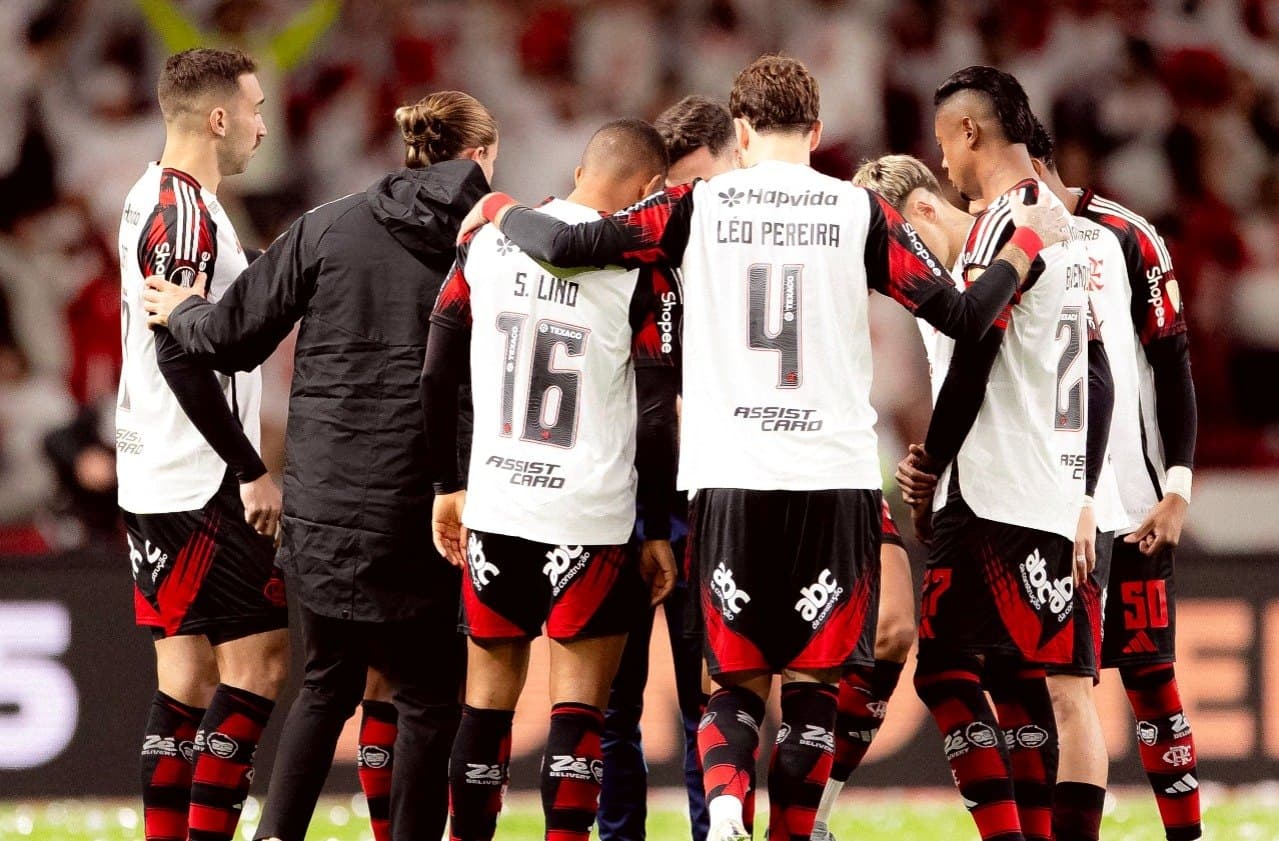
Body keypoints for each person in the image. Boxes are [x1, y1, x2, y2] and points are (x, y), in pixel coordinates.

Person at [455, 53, 1069, 841]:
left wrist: (502, 208)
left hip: (730, 474)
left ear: (740, 131)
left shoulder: (694, 205)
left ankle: (721, 811)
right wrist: (1021, 244)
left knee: (732, 687)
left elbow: (571, 247)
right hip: (833, 479)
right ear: (815, 132)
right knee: (812, 691)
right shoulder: (859, 215)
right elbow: (960, 315)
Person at [140, 90, 499, 841]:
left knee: (325, 684)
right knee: (429, 697)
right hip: (430, 502)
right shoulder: (490, 243)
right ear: (480, 156)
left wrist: (180, 311)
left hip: (326, 504)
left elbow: (231, 336)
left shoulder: (328, 225)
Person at [423, 118, 679, 841]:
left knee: (486, 708)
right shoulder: (641, 267)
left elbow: (436, 368)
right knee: (577, 717)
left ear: (577, 171)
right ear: (649, 190)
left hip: (499, 500)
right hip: (590, 518)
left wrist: (448, 481)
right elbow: (656, 415)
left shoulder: (486, 240)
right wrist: (654, 527)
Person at [891, 67, 1107, 841]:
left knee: (945, 672)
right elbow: (1096, 372)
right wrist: (1084, 490)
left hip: (990, 489)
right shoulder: (1061, 226)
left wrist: (929, 470)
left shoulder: (1001, 227)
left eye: (945, 140)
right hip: (1050, 490)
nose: (943, 161)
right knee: (1043, 687)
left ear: (969, 132)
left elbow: (973, 345)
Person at [117, 47, 288, 841]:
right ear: (218, 118)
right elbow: (179, 352)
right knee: (258, 666)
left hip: (151, 468)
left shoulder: (151, 195)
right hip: (201, 474)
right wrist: (250, 469)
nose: (261, 126)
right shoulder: (184, 214)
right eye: (253, 109)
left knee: (183, 678)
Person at [1030, 123, 1201, 841]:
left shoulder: (1127, 235)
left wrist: (1178, 485)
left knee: (1149, 680)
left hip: (1129, 501)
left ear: (1034, 160)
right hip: (1041, 502)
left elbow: (1171, 360)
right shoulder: (999, 242)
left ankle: (1186, 835)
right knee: (1052, 695)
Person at [597, 94, 737, 841]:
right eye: (673, 192)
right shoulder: (635, 258)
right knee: (616, 706)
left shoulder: (740, 260)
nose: (687, 207)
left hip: (706, 503)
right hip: (628, 506)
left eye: (697, 189)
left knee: (704, 704)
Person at [809, 500, 915, 841]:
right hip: (755, 479)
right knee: (740, 665)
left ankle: (814, 819)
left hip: (850, 475)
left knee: (894, 631)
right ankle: (727, 818)